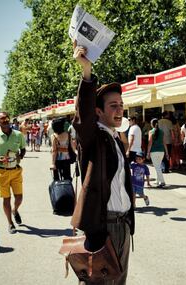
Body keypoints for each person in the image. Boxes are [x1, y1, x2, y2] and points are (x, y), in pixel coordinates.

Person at [72, 43, 135, 285]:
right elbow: (84, 113)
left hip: (122, 225)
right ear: (98, 111)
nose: (119, 110)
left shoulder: (116, 137)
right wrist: (86, 72)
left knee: (118, 281)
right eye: (113, 106)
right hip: (103, 225)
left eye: (121, 105)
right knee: (99, 282)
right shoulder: (93, 136)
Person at [0, 111, 26, 234]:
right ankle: (10, 223)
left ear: (9, 119)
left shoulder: (18, 134)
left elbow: (23, 149)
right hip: (2, 172)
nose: (4, 120)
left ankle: (15, 210)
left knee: (19, 197)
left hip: (16, 170)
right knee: (6, 199)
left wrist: (21, 155)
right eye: (1, 119)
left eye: (6, 118)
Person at [147, 118, 169, 188]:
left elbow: (150, 143)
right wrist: (167, 153)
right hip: (161, 151)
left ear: (151, 124)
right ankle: (158, 180)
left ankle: (162, 182)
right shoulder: (162, 132)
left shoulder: (151, 132)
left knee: (157, 167)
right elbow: (164, 143)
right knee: (158, 166)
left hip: (154, 151)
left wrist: (147, 153)